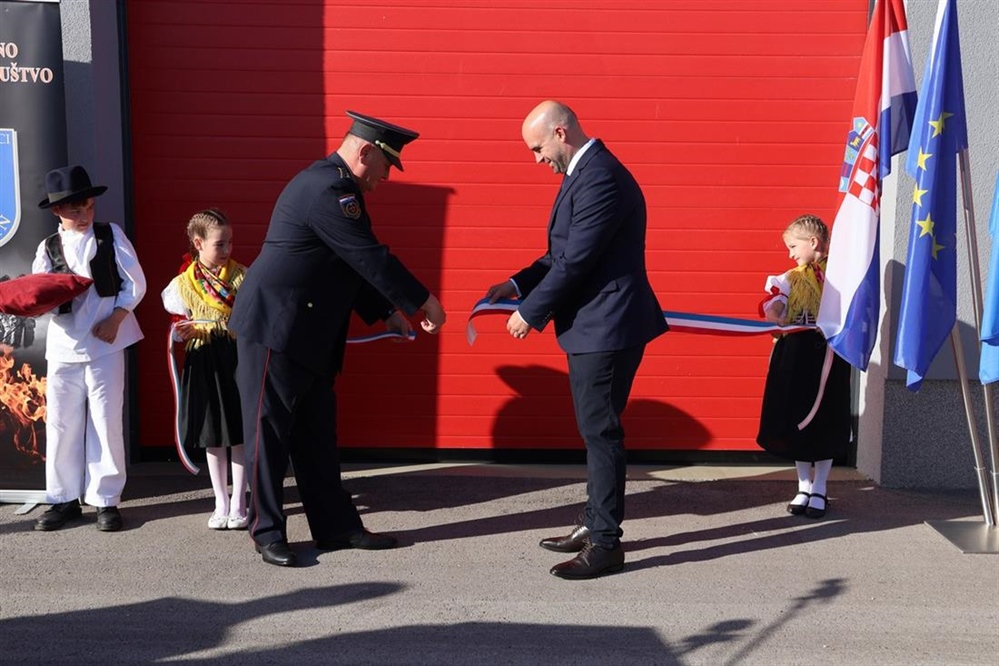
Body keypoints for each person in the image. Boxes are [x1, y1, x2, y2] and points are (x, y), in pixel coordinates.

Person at [229, 110, 447, 567]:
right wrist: (420, 299)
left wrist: (385, 312)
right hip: (276, 330)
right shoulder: (328, 188)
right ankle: (266, 532)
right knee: (267, 436)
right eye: (386, 166)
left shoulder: (339, 188)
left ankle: (336, 528)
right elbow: (368, 257)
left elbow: (346, 263)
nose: (386, 177)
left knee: (316, 437)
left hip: (307, 335)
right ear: (364, 151)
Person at [485, 101, 667, 579]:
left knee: (601, 433)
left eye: (538, 147)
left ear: (560, 132)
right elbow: (558, 254)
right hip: (596, 325)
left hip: (607, 325)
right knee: (595, 431)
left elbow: (577, 260)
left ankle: (606, 544)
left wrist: (530, 312)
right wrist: (518, 283)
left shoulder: (602, 176)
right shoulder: (584, 173)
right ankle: (593, 523)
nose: (537, 159)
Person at [31, 165, 146, 532]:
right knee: (62, 424)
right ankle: (62, 498)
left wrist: (115, 319)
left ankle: (105, 499)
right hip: (64, 345)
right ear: (57, 212)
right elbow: (38, 294)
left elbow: (136, 283)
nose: (85, 215)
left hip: (105, 344)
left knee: (106, 420)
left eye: (89, 207)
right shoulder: (47, 248)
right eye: (76, 210)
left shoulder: (110, 235)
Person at [756, 214, 851, 519]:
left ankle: (821, 487)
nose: (790, 253)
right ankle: (803, 485)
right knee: (795, 414)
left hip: (828, 353)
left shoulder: (841, 276)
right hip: (795, 354)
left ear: (813, 242)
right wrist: (777, 309)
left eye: (793, 246)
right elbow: (775, 309)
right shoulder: (789, 278)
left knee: (825, 418)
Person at [161, 209, 248, 531]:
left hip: (235, 358)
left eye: (229, 243)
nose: (227, 251)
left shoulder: (242, 276)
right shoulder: (181, 285)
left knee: (237, 433)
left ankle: (239, 502)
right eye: (220, 244)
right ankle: (219, 502)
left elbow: (255, 316)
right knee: (214, 435)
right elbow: (176, 322)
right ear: (198, 243)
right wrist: (182, 331)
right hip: (203, 360)